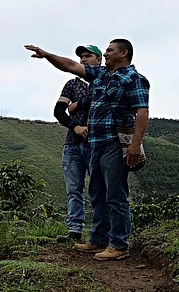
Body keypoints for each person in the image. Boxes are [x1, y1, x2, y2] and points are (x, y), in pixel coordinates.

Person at [24, 39, 149, 261]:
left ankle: (119, 244)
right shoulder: (101, 75)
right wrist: (46, 54)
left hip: (114, 143)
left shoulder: (134, 79)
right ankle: (99, 239)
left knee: (116, 194)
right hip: (95, 143)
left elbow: (142, 112)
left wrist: (135, 145)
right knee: (98, 193)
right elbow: (71, 66)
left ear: (124, 53)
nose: (107, 53)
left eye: (110, 50)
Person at [52, 45, 103, 243]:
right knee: (74, 190)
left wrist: (79, 105)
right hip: (72, 143)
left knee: (99, 189)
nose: (83, 59)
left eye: (88, 56)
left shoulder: (104, 79)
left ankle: (100, 233)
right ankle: (74, 231)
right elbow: (58, 111)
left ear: (99, 60)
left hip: (97, 142)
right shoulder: (72, 84)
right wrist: (75, 127)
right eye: (81, 57)